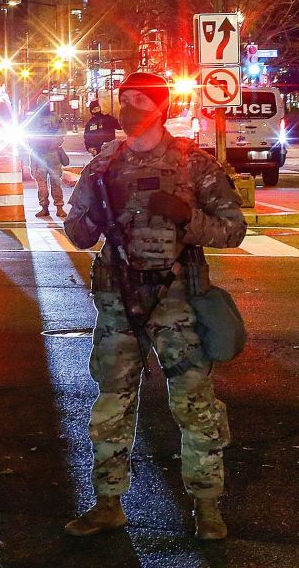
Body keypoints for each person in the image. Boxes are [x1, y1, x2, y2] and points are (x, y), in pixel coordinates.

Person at [62, 72, 246, 540]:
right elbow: (77, 232)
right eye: (124, 100)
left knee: (195, 404)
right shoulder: (104, 164)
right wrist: (94, 214)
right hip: (119, 303)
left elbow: (233, 230)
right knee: (112, 403)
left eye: (139, 101)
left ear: (160, 107)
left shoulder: (193, 164)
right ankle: (108, 503)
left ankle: (207, 507)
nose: (128, 109)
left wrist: (187, 217)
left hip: (176, 303)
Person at [28, 103, 67, 219]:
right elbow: (29, 136)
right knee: (43, 183)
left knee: (54, 182)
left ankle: (57, 207)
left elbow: (61, 132)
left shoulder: (53, 118)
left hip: (49, 154)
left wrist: (51, 144)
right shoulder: (35, 119)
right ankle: (48, 208)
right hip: (41, 154)